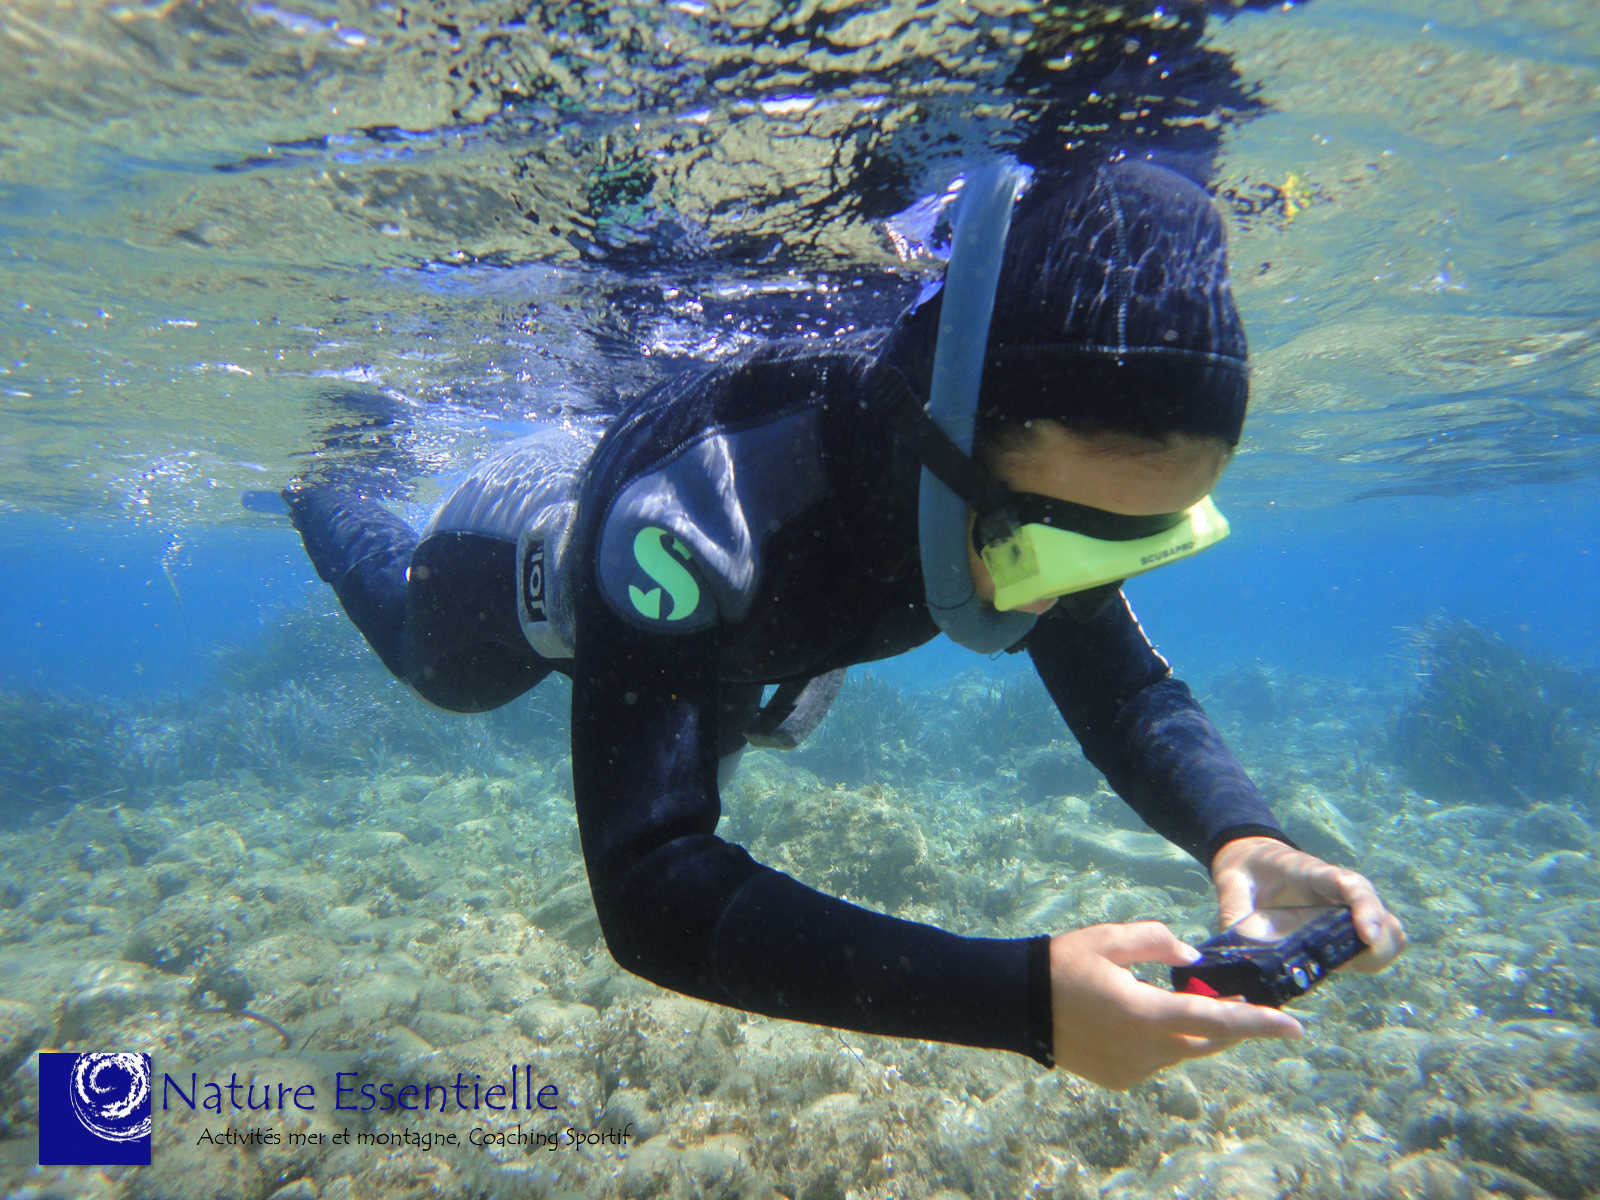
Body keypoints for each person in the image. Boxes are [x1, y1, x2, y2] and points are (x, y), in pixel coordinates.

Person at [283, 159, 1405, 1089]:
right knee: (438, 670)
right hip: (537, 556)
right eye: (1060, 547)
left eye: (1133, 550)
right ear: (938, 443)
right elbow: (651, 890)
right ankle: (323, 484)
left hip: (743, 642)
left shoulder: (1027, 496)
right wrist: (1024, 1004)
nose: (1068, 594)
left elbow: (1124, 686)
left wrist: (1243, 838)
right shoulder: (701, 512)